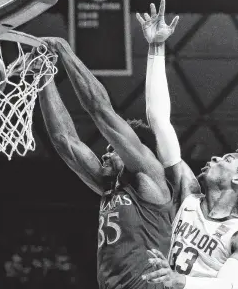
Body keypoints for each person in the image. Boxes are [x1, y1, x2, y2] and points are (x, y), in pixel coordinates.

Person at [136, 0, 238, 289]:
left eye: (226, 159)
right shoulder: (186, 192)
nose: (215, 157)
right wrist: (156, 48)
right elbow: (160, 120)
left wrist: (180, 281)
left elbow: (229, 285)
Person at [37, 37, 175, 289]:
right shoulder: (109, 186)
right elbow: (64, 142)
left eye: (113, 150)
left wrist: (63, 50)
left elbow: (99, 108)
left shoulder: (149, 179)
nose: (105, 155)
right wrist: (43, 74)